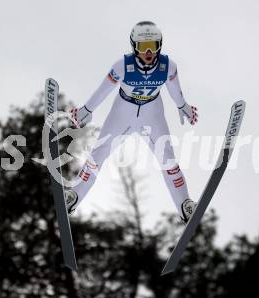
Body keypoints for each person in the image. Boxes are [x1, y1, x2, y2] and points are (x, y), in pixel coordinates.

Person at [64, 21, 198, 223]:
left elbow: (174, 90)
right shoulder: (122, 66)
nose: (148, 52)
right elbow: (104, 90)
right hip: (123, 111)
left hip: (152, 113)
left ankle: (184, 205)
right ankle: (74, 196)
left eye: (153, 45)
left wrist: (183, 106)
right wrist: (87, 110)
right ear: (134, 46)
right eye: (143, 47)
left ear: (160, 45)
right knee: (98, 154)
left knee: (167, 158)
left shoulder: (168, 66)